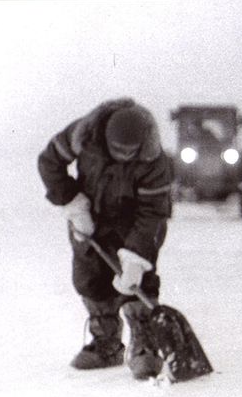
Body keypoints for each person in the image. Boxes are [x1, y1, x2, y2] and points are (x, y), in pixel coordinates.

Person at [38, 98, 173, 378]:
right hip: (89, 214)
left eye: (129, 151)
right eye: (117, 150)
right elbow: (50, 161)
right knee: (90, 277)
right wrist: (73, 202)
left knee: (138, 282)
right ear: (105, 139)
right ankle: (106, 343)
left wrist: (136, 258)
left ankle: (144, 342)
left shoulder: (154, 160)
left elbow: (152, 214)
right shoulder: (83, 134)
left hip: (135, 221)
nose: (123, 155)